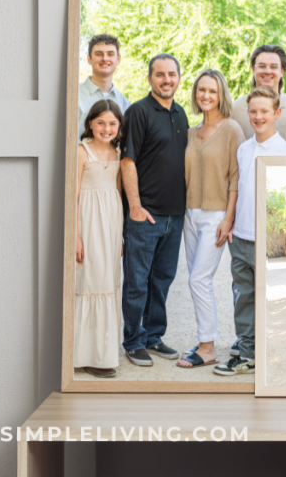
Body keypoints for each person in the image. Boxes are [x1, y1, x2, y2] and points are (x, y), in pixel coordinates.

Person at [215, 86, 286, 376]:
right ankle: (248, 354)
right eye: (253, 111)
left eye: (265, 111)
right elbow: (236, 188)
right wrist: (228, 221)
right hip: (241, 238)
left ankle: (273, 353)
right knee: (243, 298)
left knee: (269, 299)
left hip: (266, 241)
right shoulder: (244, 148)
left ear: (276, 113)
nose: (258, 116)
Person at [120, 53, 188, 367]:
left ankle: (153, 336)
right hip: (145, 215)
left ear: (178, 77)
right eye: (159, 75)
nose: (166, 80)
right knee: (137, 281)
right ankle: (133, 340)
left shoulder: (181, 114)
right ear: (150, 79)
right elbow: (128, 161)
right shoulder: (138, 112)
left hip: (175, 215)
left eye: (171, 74)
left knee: (162, 279)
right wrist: (134, 207)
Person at [177, 69, 244, 369]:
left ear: (221, 95)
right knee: (196, 280)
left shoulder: (232, 129)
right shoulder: (191, 132)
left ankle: (207, 347)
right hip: (190, 214)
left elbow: (236, 177)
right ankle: (205, 340)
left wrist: (228, 218)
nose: (205, 95)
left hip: (216, 214)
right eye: (201, 90)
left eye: (212, 91)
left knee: (198, 279)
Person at [73, 100, 125, 378]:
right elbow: (74, 194)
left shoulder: (118, 151)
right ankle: (86, 354)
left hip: (111, 222)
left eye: (112, 123)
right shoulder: (82, 151)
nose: (106, 128)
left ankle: (105, 350)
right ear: (90, 123)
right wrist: (75, 236)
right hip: (88, 220)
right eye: (101, 122)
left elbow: (117, 191)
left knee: (109, 282)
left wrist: (121, 234)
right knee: (90, 281)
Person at [230, 44, 286, 141]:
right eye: (262, 66)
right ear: (253, 70)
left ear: (282, 71)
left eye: (273, 67)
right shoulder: (234, 110)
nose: (268, 71)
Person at [78, 33, 130, 140]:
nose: (105, 58)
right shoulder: (74, 96)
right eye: (98, 54)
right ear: (89, 59)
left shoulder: (124, 103)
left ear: (118, 59)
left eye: (110, 54)